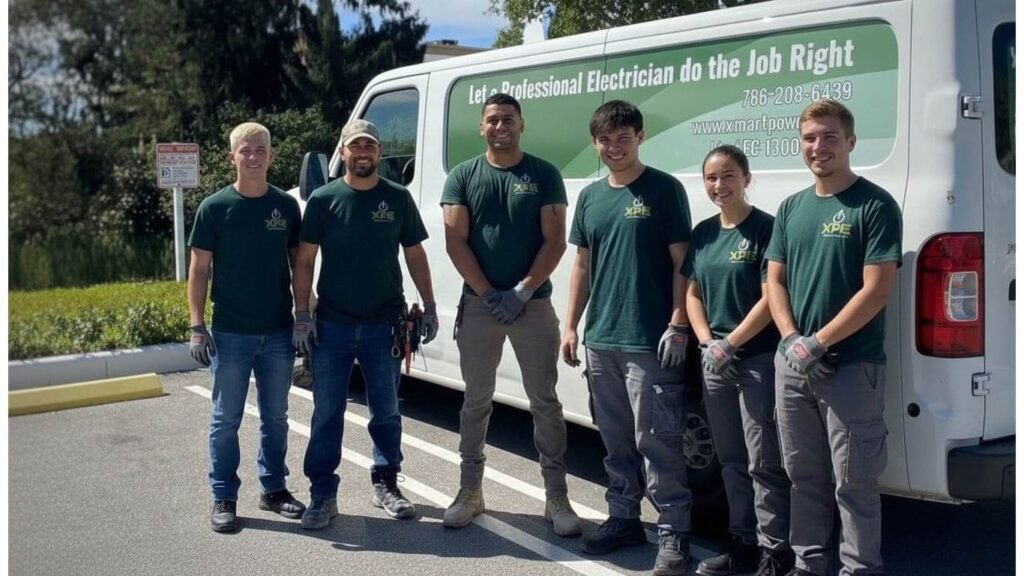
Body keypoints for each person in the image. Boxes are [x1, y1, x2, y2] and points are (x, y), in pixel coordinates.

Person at [765, 99, 902, 576]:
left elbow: (878, 289)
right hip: (794, 364)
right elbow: (774, 281)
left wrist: (817, 342)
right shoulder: (791, 208)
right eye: (809, 138)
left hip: (850, 367)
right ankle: (809, 563)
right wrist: (790, 340)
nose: (818, 146)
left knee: (854, 481)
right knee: (802, 477)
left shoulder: (875, 205)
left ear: (850, 143)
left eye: (828, 137)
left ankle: (859, 568)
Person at [561, 100, 693, 576]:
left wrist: (678, 321)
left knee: (657, 439)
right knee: (615, 440)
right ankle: (624, 518)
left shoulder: (664, 190)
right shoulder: (592, 197)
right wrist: (571, 324)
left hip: (649, 341)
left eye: (623, 138)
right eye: (605, 140)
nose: (613, 147)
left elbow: (683, 262)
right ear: (595, 144)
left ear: (639, 137)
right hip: (601, 340)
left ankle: (673, 531)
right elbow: (582, 265)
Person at [440, 93, 581, 536]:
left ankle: (556, 497)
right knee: (475, 401)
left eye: (508, 120)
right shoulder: (463, 176)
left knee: (545, 403)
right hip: (480, 306)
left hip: (533, 305)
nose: (501, 127)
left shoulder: (543, 174)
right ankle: (469, 491)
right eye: (493, 120)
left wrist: (520, 291)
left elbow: (555, 240)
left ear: (522, 125)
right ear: (481, 128)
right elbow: (455, 241)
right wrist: (488, 293)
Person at [293, 119, 439, 530]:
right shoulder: (323, 199)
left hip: (384, 325)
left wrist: (428, 306)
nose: (363, 153)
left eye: (370, 147)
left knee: (387, 411)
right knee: (327, 412)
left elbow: (414, 255)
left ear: (378, 153)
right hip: (333, 325)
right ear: (342, 152)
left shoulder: (397, 198)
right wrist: (302, 314)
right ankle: (322, 495)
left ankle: (386, 484)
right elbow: (303, 260)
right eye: (355, 146)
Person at [187, 122, 305, 533]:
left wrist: (304, 315)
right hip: (231, 333)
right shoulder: (214, 208)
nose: (253, 157)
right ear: (231, 156)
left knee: (276, 417)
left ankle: (273, 489)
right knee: (226, 419)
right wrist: (197, 325)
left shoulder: (286, 208)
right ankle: (224, 494)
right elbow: (199, 270)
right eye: (245, 150)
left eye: (260, 150)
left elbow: (299, 267)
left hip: (277, 331)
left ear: (271, 156)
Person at [683, 145, 794, 576]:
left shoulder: (766, 229)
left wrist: (731, 344)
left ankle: (775, 551)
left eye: (728, 176)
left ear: (746, 178)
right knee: (730, 460)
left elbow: (772, 296)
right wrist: (708, 342)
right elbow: (693, 293)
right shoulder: (704, 233)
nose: (719, 185)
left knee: (763, 460)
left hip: (755, 360)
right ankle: (742, 542)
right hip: (714, 360)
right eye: (711, 178)